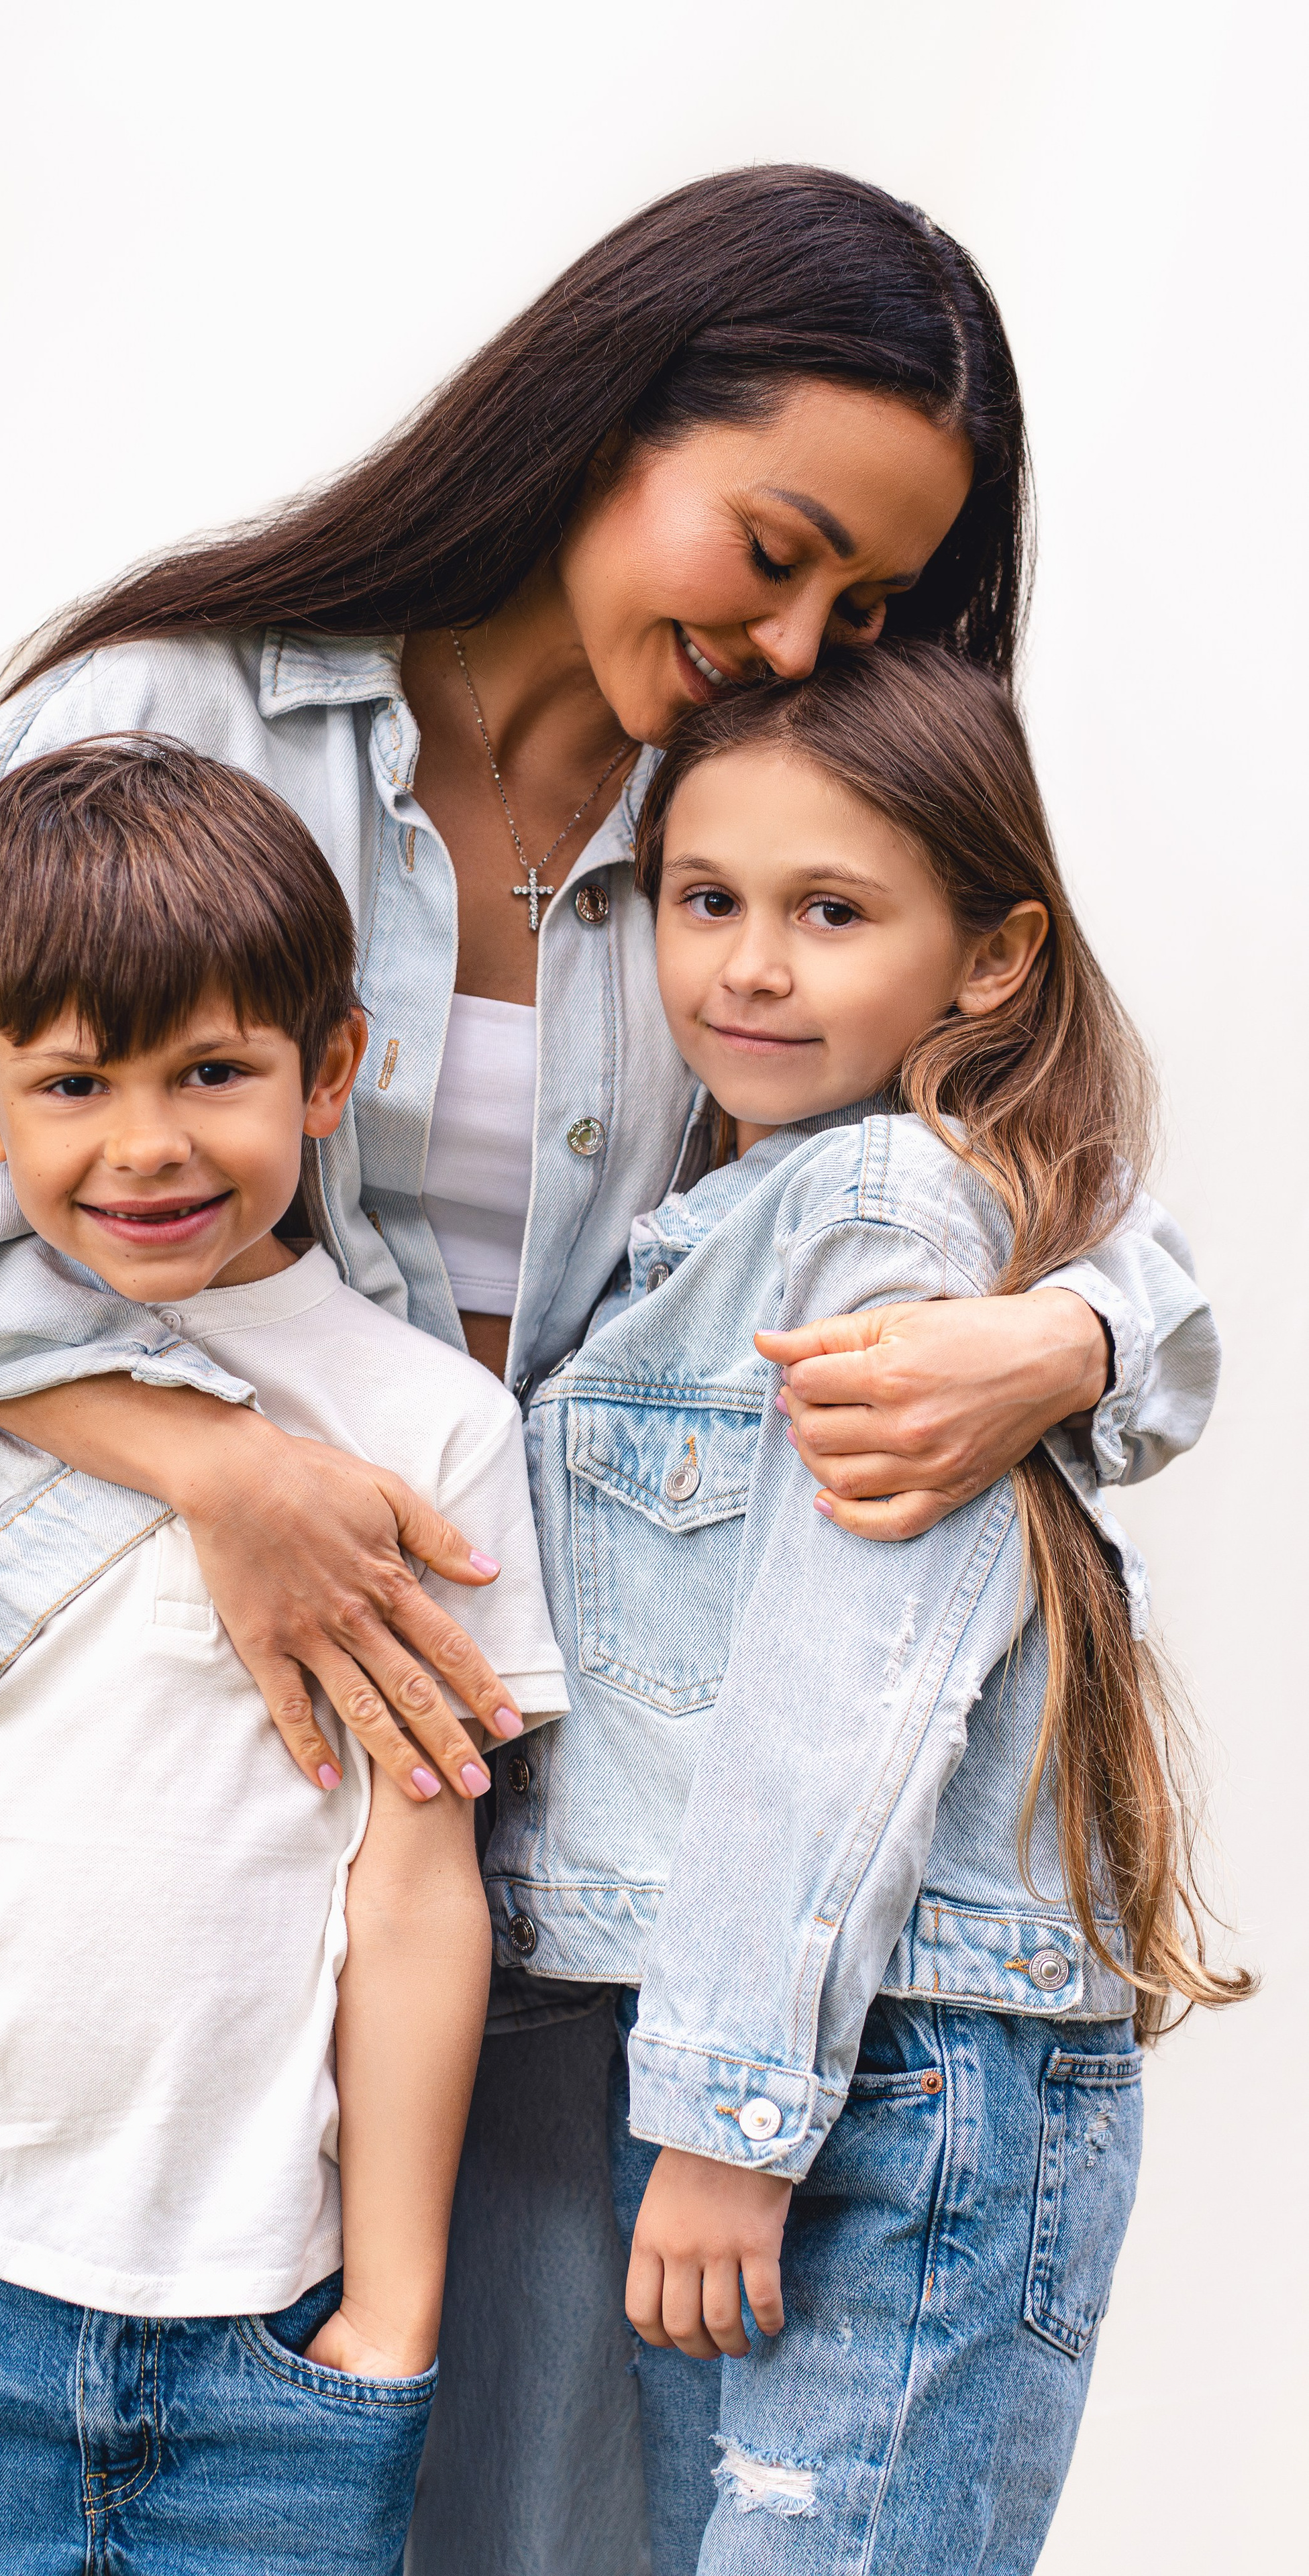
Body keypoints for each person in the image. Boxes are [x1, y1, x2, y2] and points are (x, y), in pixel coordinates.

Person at [0, 170, 1217, 2567]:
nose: (797, 638)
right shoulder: (171, 721)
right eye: (772, 550)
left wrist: (1071, 1330)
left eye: (863, 605)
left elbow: (1002, 1124)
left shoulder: (754, 829)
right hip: (223, 1828)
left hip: (578, 1846)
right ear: (604, 416)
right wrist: (216, 1476)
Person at [0, 739, 569, 2574]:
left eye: (214, 1071)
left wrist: (392, 2317)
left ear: (331, 1068)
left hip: (278, 2346)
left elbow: (420, 1892)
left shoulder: (428, 1432)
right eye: (74, 1082)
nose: (147, 1144)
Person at [489, 641, 1245, 2573]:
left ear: (990, 960)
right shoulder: (737, 1206)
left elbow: (835, 1714)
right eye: (705, 899)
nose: (749, 965)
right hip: (806, 2055)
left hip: (874, 2084)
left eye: (830, 913)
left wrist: (731, 2128)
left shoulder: (882, 1215)